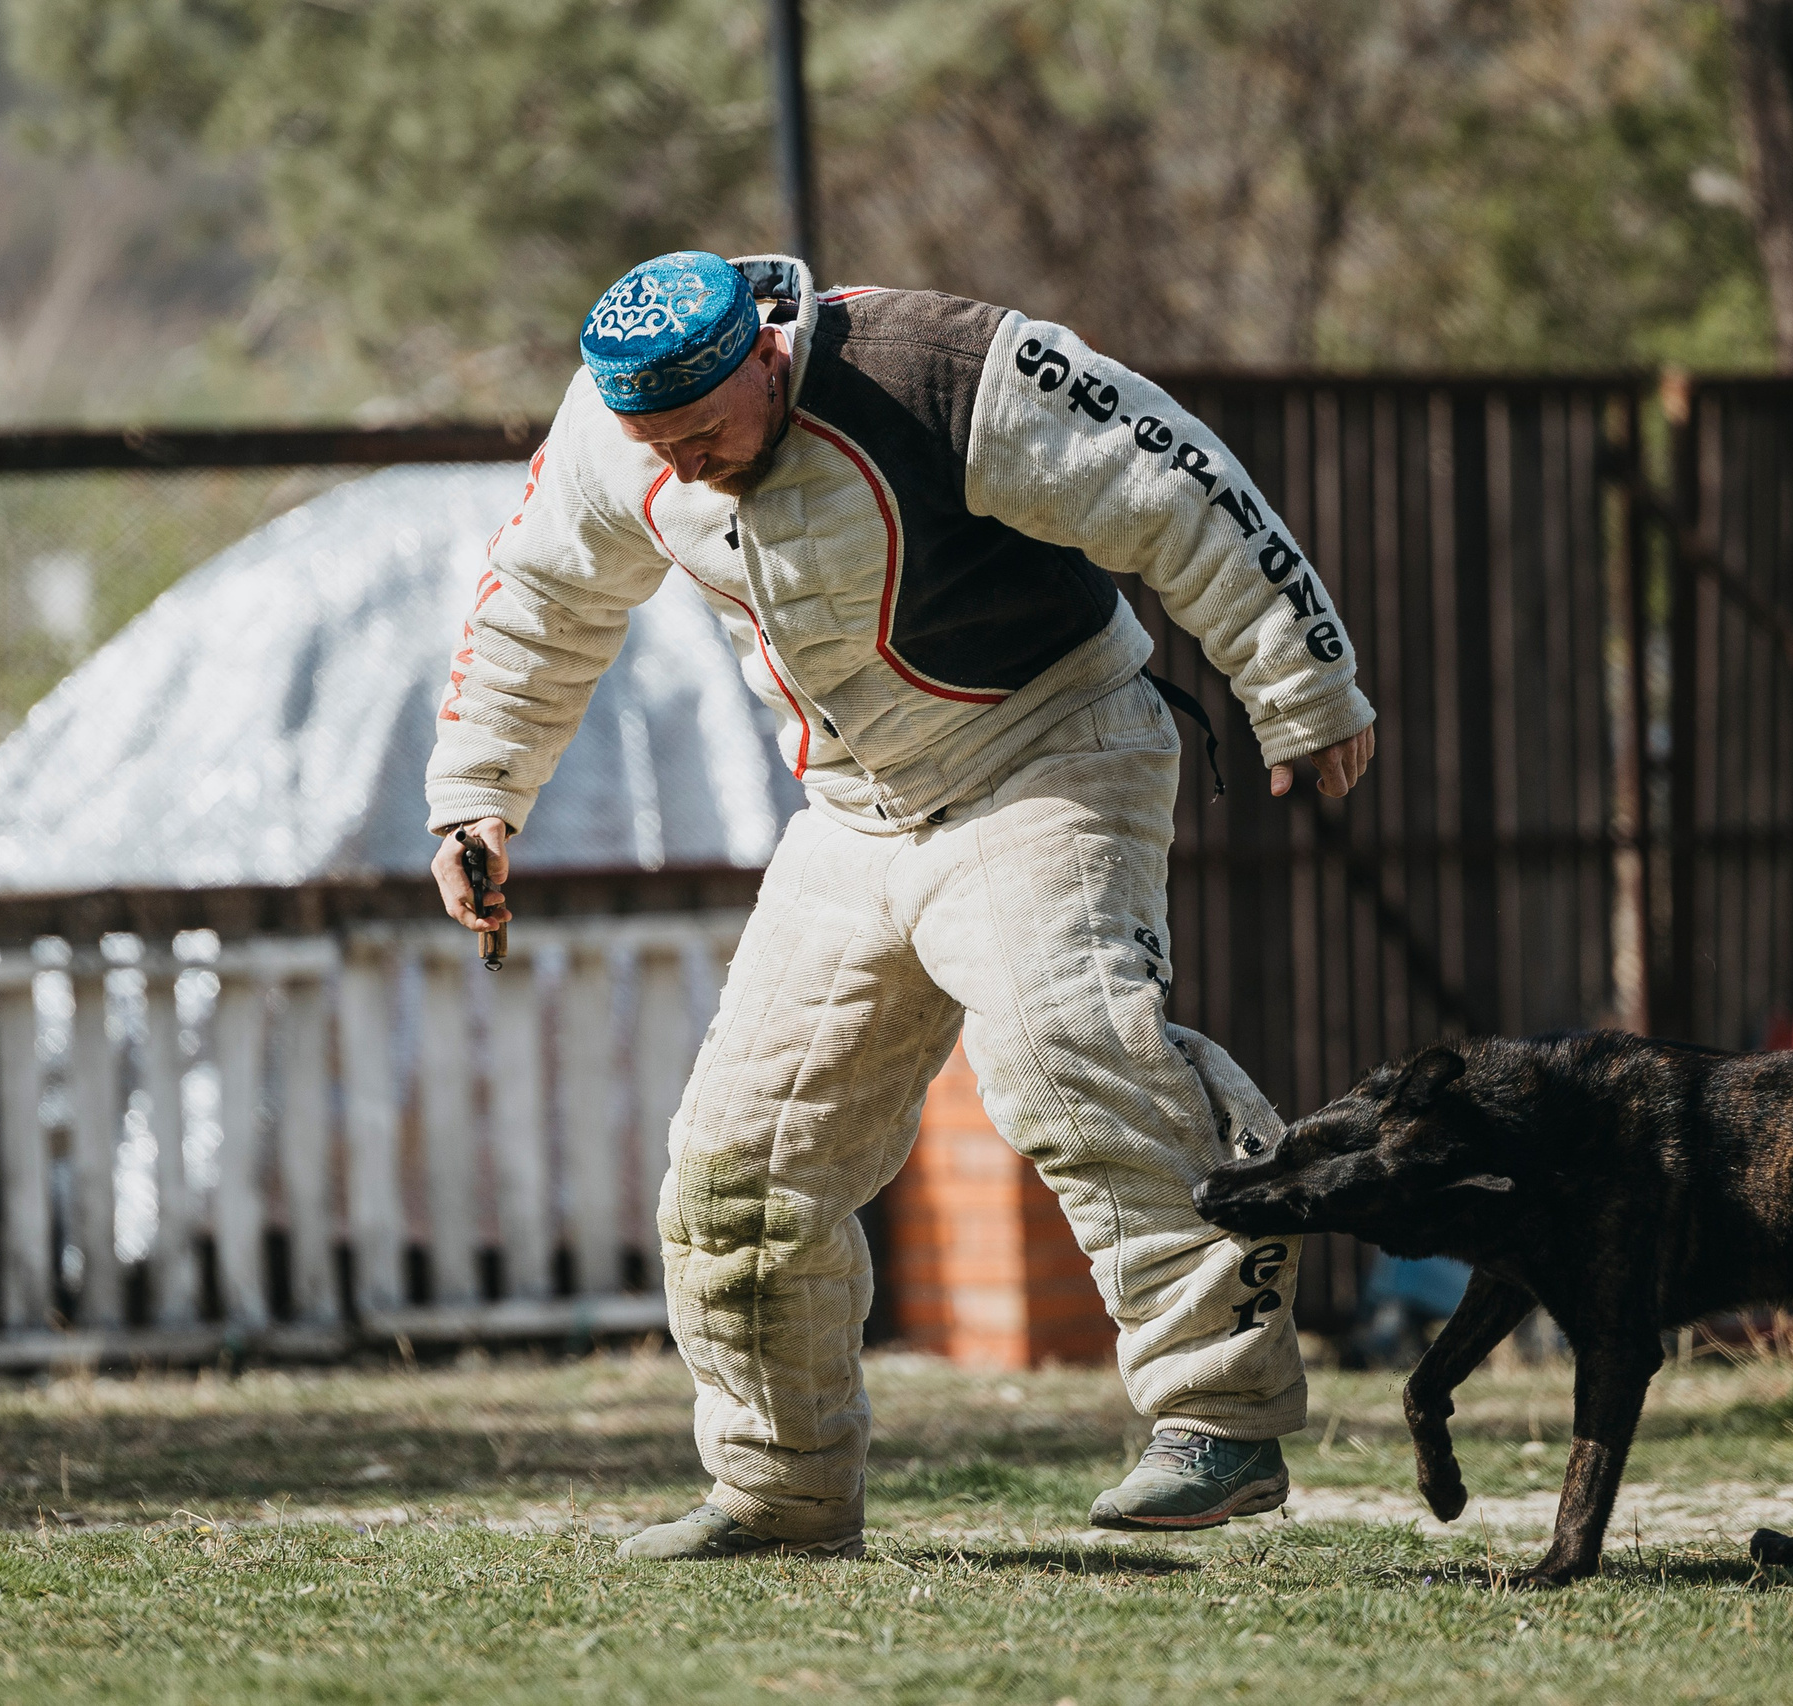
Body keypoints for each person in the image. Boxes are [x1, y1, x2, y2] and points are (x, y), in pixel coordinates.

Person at [426, 250, 1375, 1560]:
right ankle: (781, 1489)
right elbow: (540, 597)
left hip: (1049, 754)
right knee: (739, 1167)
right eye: (660, 445)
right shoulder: (614, 430)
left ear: (764, 354)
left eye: (705, 435)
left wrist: (1302, 684)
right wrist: (476, 794)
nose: (685, 468)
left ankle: (1217, 1418)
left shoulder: (940, 373)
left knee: (1067, 1052)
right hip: (851, 817)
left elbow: (1175, 482)